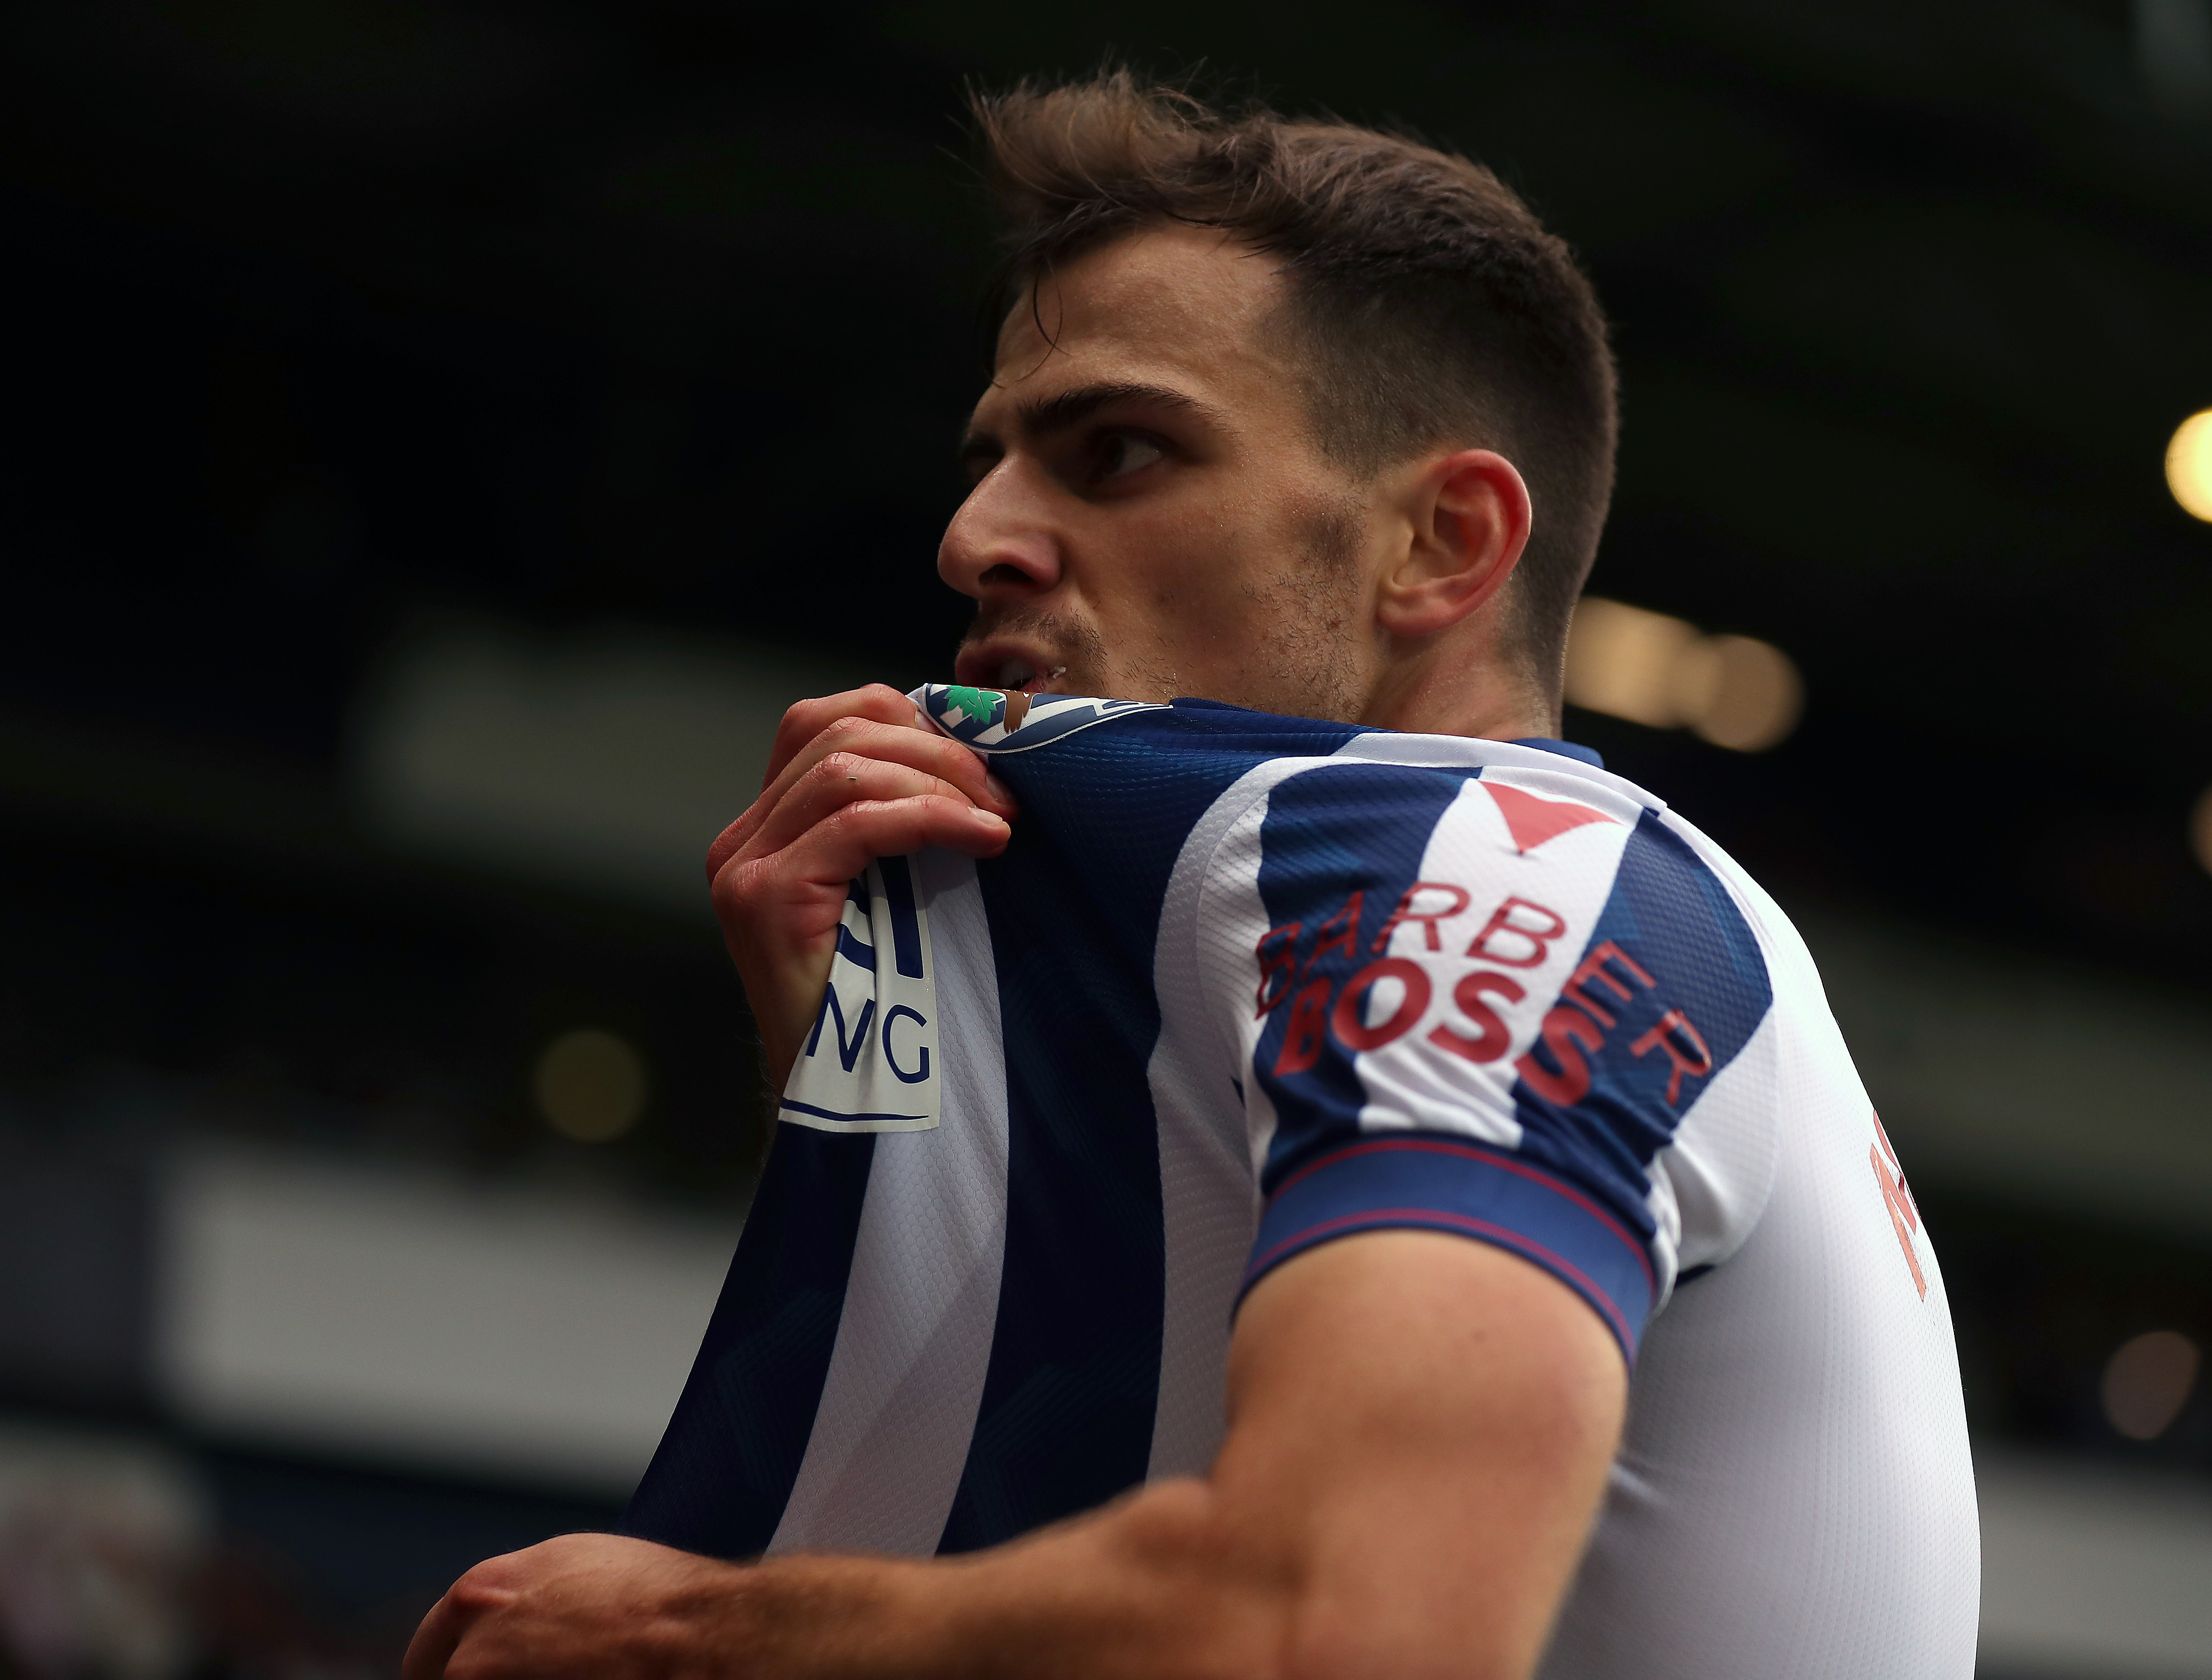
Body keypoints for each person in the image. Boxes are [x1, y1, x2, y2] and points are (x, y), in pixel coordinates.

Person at [405, 72, 1978, 1680]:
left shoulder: (1505, 882)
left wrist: (675, 1635)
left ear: (1440, 546)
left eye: (1118, 452)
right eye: (994, 458)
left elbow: (1340, 1624)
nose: (974, 535)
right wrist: (905, 1118)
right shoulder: (1411, 932)